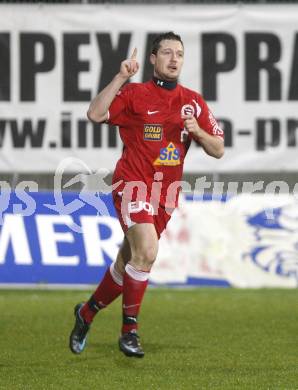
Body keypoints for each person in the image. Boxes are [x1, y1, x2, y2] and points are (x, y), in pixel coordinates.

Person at [69, 31, 224, 358]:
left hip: (164, 197)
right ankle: (130, 331)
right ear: (153, 59)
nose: (173, 59)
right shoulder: (135, 93)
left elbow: (218, 149)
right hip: (132, 185)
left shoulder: (192, 101)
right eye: (166, 53)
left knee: (128, 262)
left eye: (179, 54)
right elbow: (95, 114)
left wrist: (197, 132)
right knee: (148, 251)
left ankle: (87, 313)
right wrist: (120, 77)